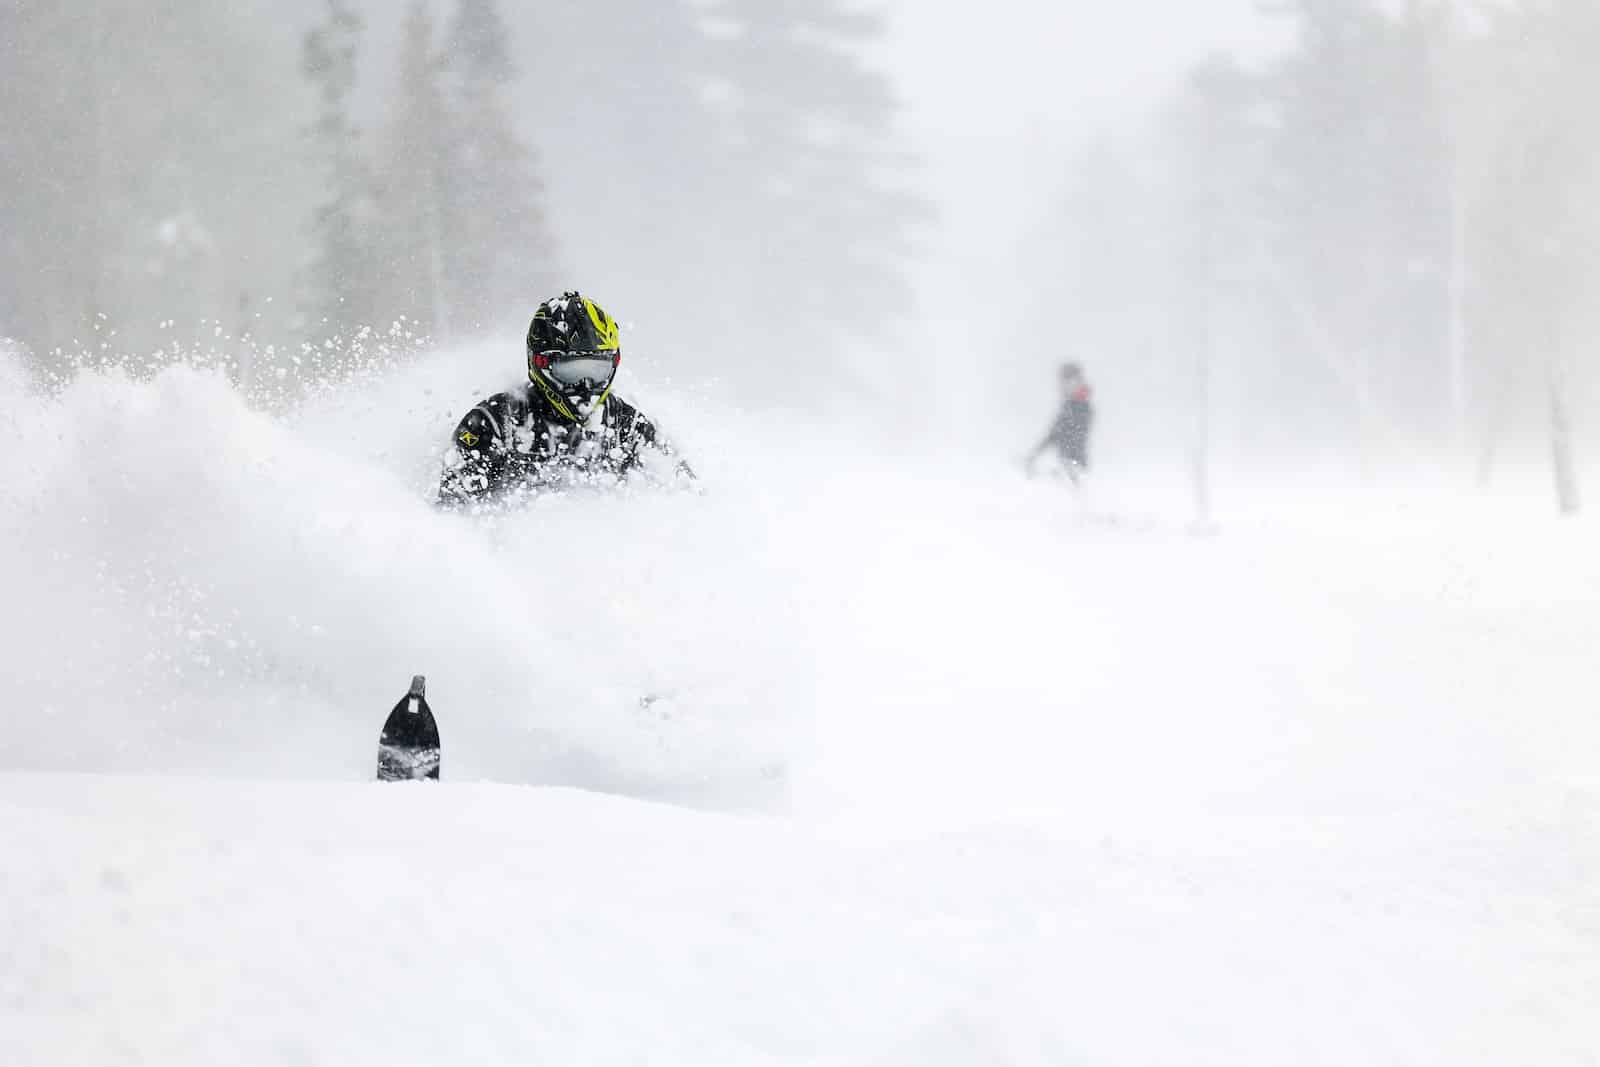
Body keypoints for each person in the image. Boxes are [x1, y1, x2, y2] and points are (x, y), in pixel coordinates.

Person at [438, 291, 690, 508]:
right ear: (540, 363)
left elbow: (685, 499)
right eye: (571, 373)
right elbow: (453, 515)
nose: (585, 387)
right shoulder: (493, 423)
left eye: (596, 372)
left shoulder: (627, 425)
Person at [1025, 362, 1094, 484]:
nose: (1060, 386)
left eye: (1064, 381)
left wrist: (1069, 465)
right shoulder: (1071, 406)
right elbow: (1054, 434)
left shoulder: (1079, 407)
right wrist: (1034, 455)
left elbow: (1071, 436)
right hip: (1069, 467)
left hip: (1073, 469)